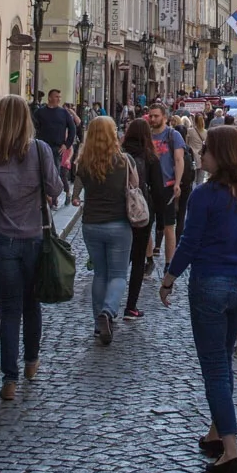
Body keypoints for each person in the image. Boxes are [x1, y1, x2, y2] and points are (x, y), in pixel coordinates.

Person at [162, 125, 237, 473]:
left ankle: (231, 449)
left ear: (219, 156)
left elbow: (190, 243)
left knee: (214, 368)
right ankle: (215, 432)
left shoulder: (204, 196)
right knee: (223, 359)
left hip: (210, 284)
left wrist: (169, 278)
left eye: (206, 149)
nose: (200, 153)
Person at [0, 94, 64, 400]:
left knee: (10, 310)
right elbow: (55, 188)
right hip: (35, 237)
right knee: (31, 304)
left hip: (3, 239)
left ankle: (8, 380)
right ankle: (32, 361)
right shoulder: (40, 150)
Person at [72, 116, 137, 346]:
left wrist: (75, 196)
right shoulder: (124, 160)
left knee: (100, 274)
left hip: (91, 224)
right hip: (119, 223)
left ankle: (97, 325)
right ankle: (107, 313)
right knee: (118, 274)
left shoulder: (84, 162)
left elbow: (77, 189)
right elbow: (135, 186)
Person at [121, 116, 171, 321]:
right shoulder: (150, 157)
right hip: (141, 213)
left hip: (119, 212)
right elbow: (158, 191)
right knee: (139, 259)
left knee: (119, 259)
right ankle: (131, 305)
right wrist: (160, 221)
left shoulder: (120, 155)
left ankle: (109, 304)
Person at [144, 104, 189, 265]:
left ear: (164, 117)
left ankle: (169, 263)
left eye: (156, 116)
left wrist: (177, 183)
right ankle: (149, 259)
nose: (153, 119)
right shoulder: (146, 136)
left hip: (167, 186)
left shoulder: (173, 135)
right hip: (148, 187)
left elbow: (179, 160)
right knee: (145, 226)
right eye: (151, 116)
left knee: (169, 226)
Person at [34, 88, 80, 186]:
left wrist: (66, 145)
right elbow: (33, 127)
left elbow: (72, 129)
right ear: (50, 98)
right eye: (56, 97)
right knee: (41, 172)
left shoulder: (64, 113)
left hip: (57, 148)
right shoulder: (40, 112)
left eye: (60, 97)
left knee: (55, 173)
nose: (59, 99)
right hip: (42, 147)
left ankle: (54, 198)